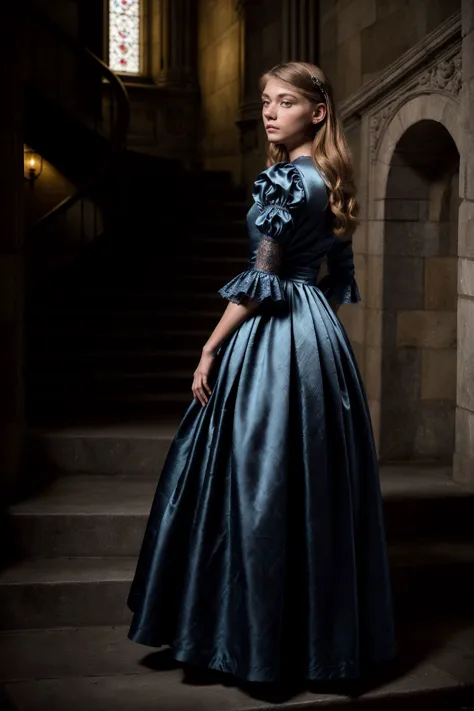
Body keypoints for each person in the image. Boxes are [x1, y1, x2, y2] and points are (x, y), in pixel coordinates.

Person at [127, 61, 397, 684]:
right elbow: (331, 280)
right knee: (308, 479)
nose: (271, 112)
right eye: (266, 102)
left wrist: (211, 346)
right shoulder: (330, 177)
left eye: (284, 103)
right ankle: (313, 641)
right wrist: (316, 337)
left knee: (256, 474)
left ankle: (243, 639)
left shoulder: (285, 183)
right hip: (317, 334)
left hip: (276, 328)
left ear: (317, 112)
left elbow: (262, 282)